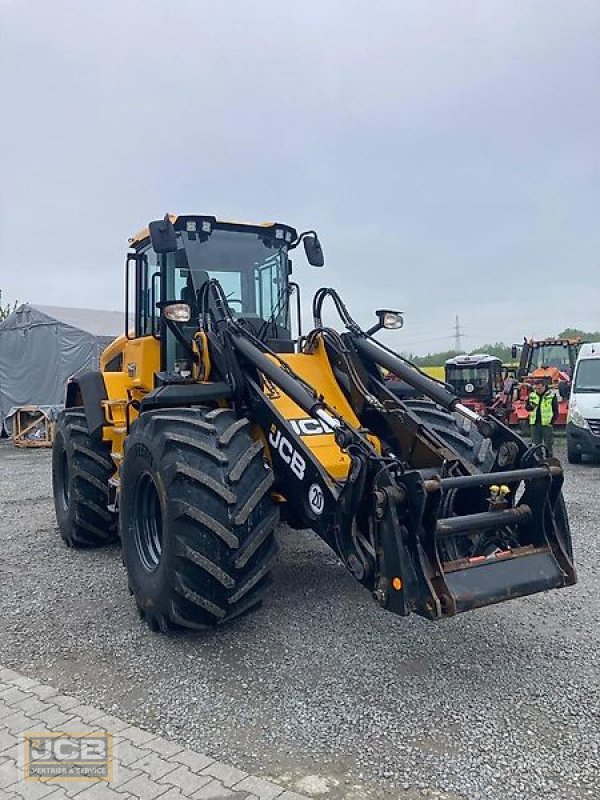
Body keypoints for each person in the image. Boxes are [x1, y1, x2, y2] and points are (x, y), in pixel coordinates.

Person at [525, 380, 558, 456]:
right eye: (536, 389)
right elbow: (527, 408)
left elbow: (555, 410)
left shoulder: (551, 395)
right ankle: (539, 459)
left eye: (539, 388)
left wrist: (551, 422)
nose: (537, 390)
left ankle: (549, 458)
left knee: (548, 444)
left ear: (544, 386)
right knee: (536, 444)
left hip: (547, 424)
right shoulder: (532, 395)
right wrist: (531, 407)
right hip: (535, 423)